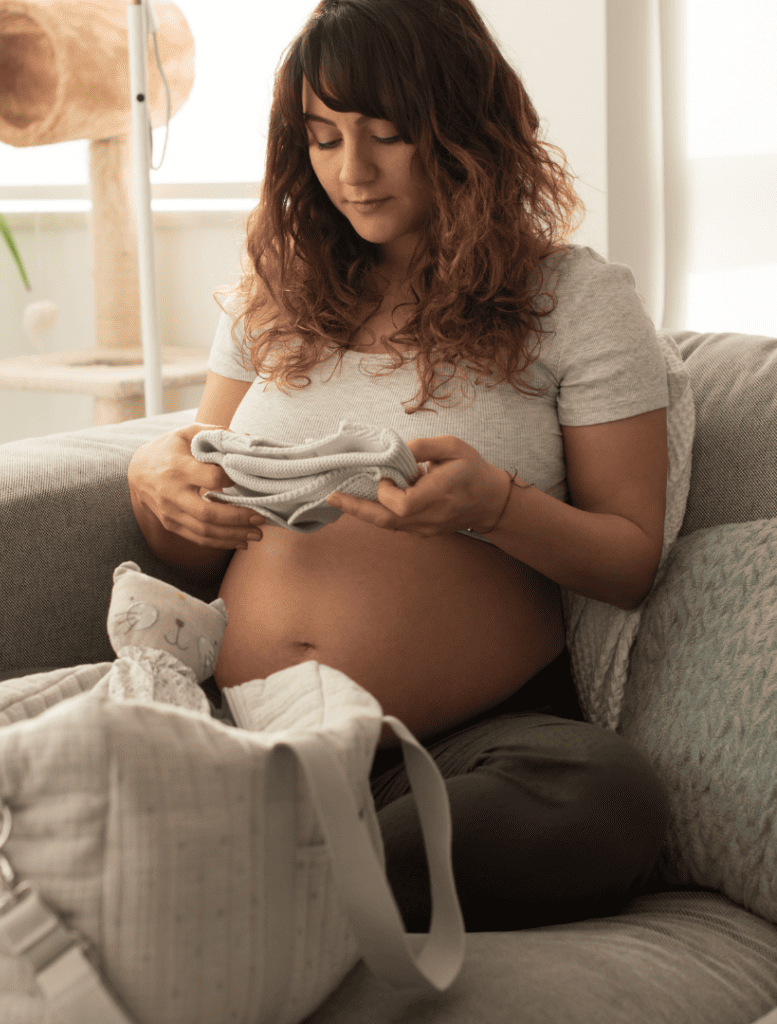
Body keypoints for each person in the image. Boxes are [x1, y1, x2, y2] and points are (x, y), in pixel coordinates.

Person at [127, 0, 670, 933]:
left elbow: (628, 561)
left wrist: (493, 506)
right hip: (241, 724)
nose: (351, 171)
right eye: (323, 137)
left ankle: (259, 885)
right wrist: (154, 479)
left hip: (463, 748)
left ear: (466, 130)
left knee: (607, 797)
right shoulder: (271, 293)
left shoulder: (576, 301)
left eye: (387, 134)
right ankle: (284, 873)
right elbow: (192, 525)